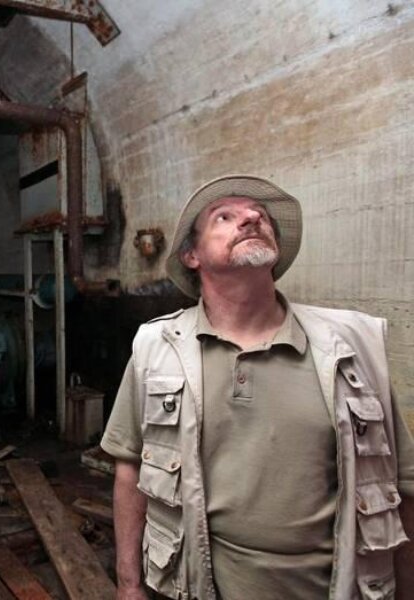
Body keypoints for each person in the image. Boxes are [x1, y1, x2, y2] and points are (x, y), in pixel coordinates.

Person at [101, 175, 414, 600]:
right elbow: (130, 466)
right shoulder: (157, 346)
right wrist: (129, 584)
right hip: (196, 585)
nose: (250, 218)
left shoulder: (352, 343)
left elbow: (403, 481)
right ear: (192, 255)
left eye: (260, 215)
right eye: (224, 217)